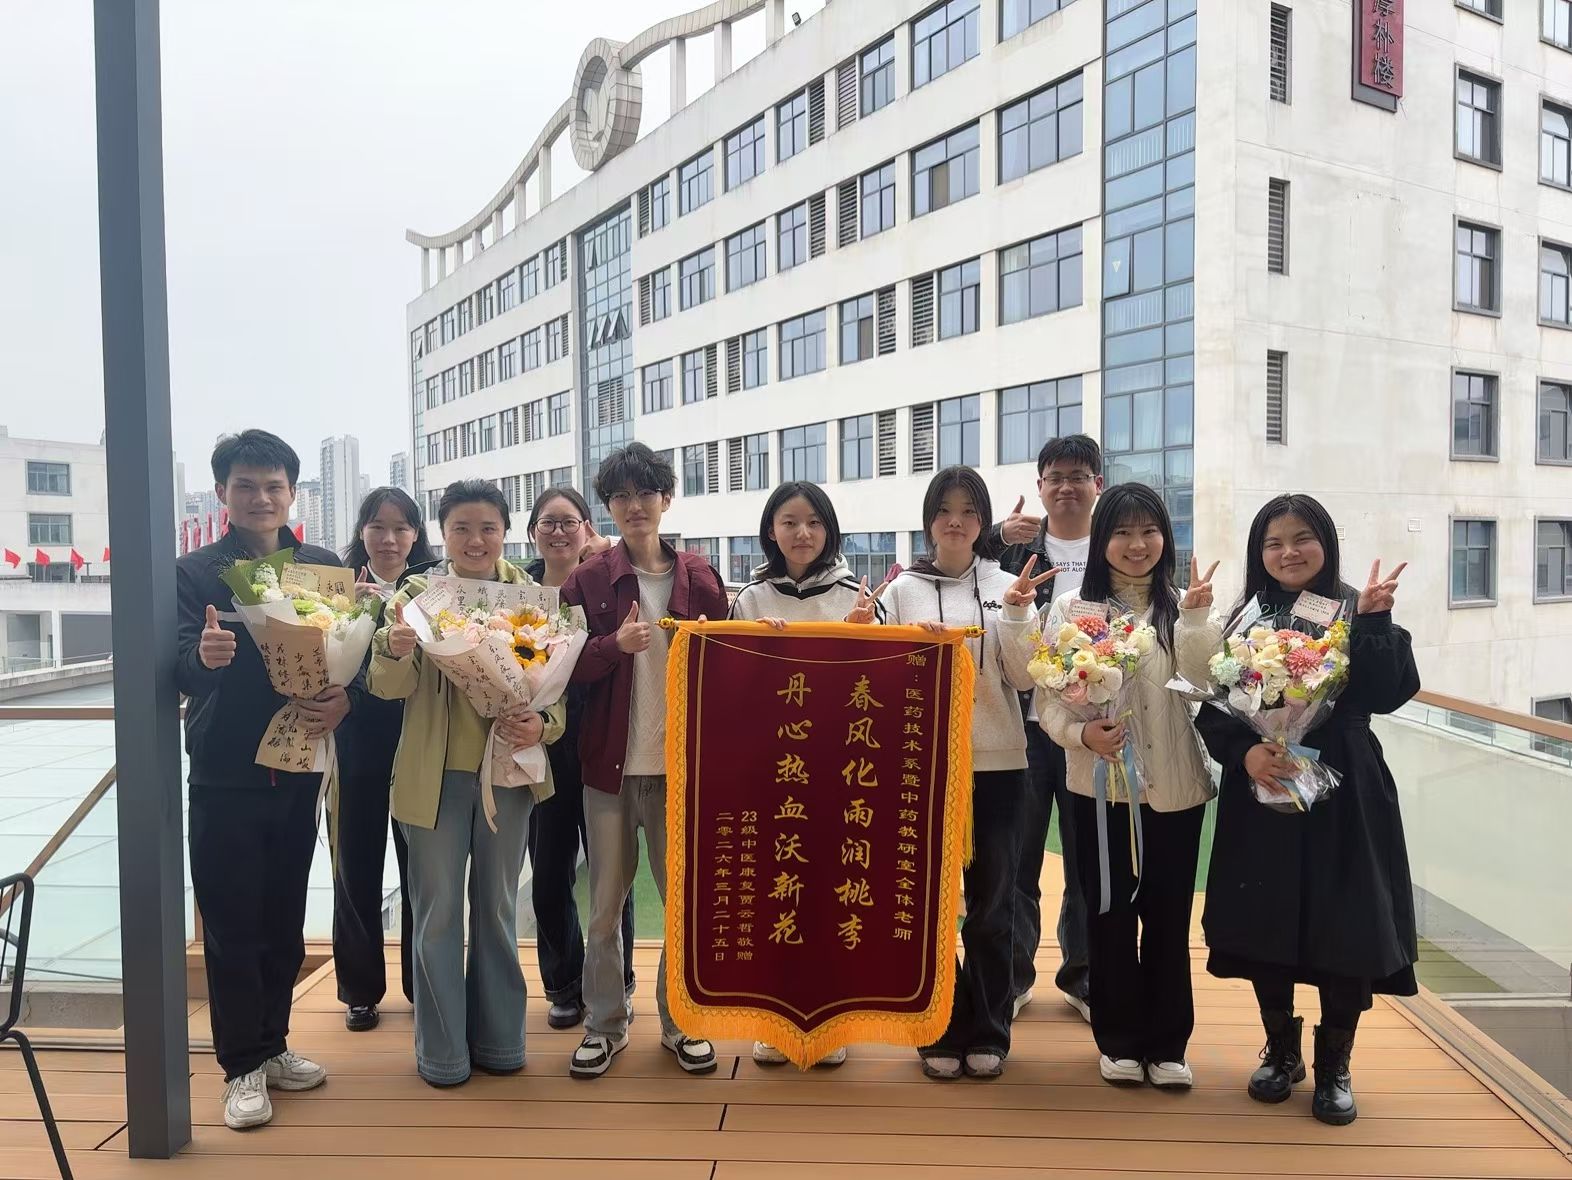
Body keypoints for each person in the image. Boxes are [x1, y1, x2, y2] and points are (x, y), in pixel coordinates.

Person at [1192, 494, 1416, 1126]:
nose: (1288, 552)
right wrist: (1245, 755)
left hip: (1344, 787)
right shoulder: (1244, 617)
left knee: (1347, 922)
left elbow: (1389, 692)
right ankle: (1282, 1050)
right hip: (1265, 783)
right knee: (1265, 917)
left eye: (1301, 539)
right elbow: (1215, 708)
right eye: (1273, 542)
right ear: (1258, 553)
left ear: (1326, 544)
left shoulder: (1355, 608)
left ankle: (1335, 1065)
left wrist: (1375, 622)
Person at [176, 429, 345, 1130]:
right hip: (227, 772)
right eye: (245, 486)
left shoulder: (321, 567)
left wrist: (343, 701)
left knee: (283, 920)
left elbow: (348, 656)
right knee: (231, 925)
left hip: (299, 768)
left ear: (292, 493)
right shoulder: (194, 573)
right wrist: (204, 656)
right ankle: (240, 1065)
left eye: (273, 486)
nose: (260, 498)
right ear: (223, 492)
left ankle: (272, 1045)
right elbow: (175, 662)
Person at [370, 480, 565, 1087]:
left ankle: (501, 1041)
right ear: (443, 533)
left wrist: (543, 725)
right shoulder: (415, 596)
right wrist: (395, 647)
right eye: (461, 528)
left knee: (498, 909)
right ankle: (443, 1053)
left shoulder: (532, 598)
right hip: (433, 778)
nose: (475, 540)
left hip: (507, 774)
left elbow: (556, 692)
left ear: (504, 531)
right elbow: (388, 688)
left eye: (487, 528)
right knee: (436, 914)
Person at [1031, 482, 1219, 1089]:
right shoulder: (1071, 611)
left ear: (1165, 537)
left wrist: (1196, 619)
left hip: (1174, 790)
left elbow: (1204, 686)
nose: (1137, 545)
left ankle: (1168, 1045)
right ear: (1101, 541)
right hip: (1099, 789)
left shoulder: (1182, 606)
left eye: (1149, 531)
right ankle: (1118, 1038)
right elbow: (1048, 703)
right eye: (1122, 532)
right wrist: (1083, 736)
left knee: (1168, 916)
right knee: (1108, 913)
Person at [560, 443, 729, 1079]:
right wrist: (613, 645)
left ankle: (682, 1023)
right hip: (608, 769)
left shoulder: (700, 579)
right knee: (604, 907)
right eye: (622, 496)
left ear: (666, 499)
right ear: (609, 506)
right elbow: (559, 668)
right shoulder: (587, 582)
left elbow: (730, 665)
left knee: (682, 903)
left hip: (680, 772)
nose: (635, 506)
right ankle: (604, 1025)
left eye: (646, 493)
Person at [869, 466, 1037, 1080]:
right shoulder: (899, 592)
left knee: (993, 905)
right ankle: (939, 1025)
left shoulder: (1009, 586)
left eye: (968, 511)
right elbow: (875, 680)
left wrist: (1015, 617)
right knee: (929, 905)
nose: (956, 521)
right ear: (929, 521)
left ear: (984, 522)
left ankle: (990, 1028)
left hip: (997, 764)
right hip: (921, 769)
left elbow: (1024, 677)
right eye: (944, 510)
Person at [731, 480, 887, 1068]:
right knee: (775, 894)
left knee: (831, 894)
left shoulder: (859, 597)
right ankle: (774, 1021)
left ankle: (830, 1021)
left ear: (830, 530)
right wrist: (756, 650)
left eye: (814, 522)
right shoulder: (749, 600)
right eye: (790, 522)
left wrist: (859, 637)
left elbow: (885, 683)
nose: (802, 533)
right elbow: (730, 685)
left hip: (839, 774)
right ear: (771, 530)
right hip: (771, 775)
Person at [993, 434, 1101, 1024]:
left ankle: (1083, 976)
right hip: (1025, 729)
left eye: (1077, 475)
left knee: (1088, 862)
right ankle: (1012, 977)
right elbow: (956, 556)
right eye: (1055, 477)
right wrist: (994, 536)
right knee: (1017, 860)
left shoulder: (1114, 547)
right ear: (1040, 487)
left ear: (1097, 485)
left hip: (1089, 731)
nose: (1065, 487)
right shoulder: (1015, 550)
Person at [521, 486, 637, 1030]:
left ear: (588, 528)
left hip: (599, 737)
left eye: (570, 521)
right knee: (549, 871)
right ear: (532, 532)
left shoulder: (605, 584)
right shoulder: (516, 591)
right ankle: (564, 983)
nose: (559, 532)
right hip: (540, 745)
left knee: (612, 871)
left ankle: (618, 981)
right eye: (548, 522)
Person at [331, 487, 439, 1032]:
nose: (389, 539)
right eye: (378, 526)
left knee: (423, 869)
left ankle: (424, 982)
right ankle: (359, 990)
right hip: (358, 744)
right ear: (362, 532)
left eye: (401, 528)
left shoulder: (437, 589)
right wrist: (349, 611)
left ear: (416, 534)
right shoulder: (339, 590)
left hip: (421, 743)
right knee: (356, 867)